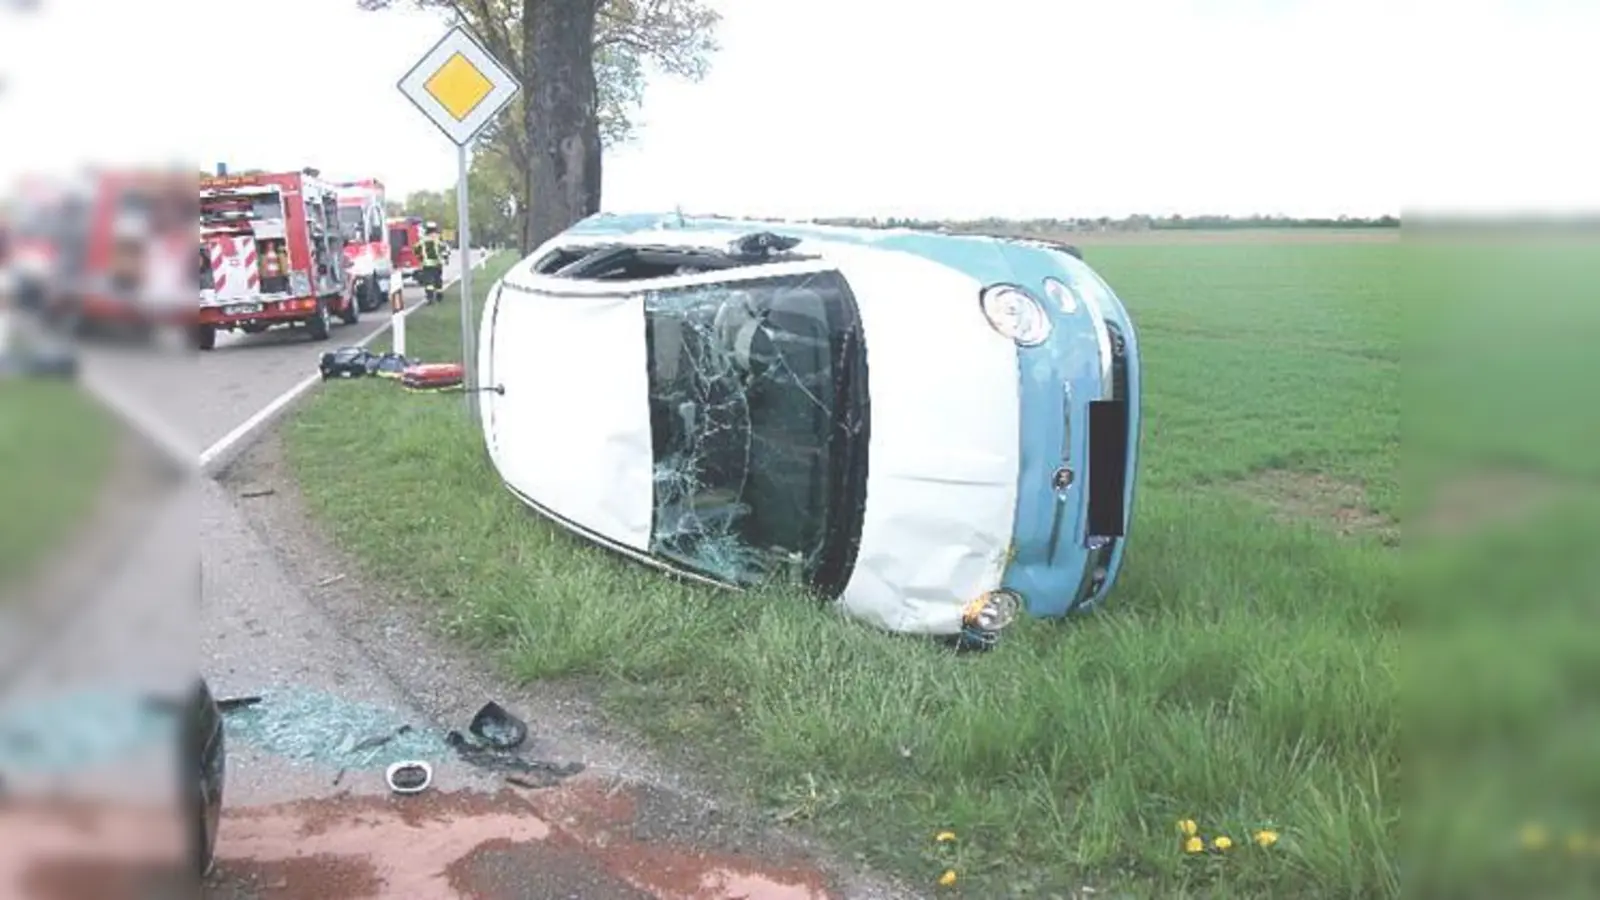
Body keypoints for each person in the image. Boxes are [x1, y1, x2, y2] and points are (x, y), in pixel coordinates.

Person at [417, 222, 446, 304]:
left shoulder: (423, 239)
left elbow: (417, 249)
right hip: (437, 264)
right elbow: (444, 249)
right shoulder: (438, 238)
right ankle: (439, 295)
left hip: (427, 264)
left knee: (428, 282)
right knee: (438, 280)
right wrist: (444, 258)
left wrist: (420, 258)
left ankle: (430, 298)